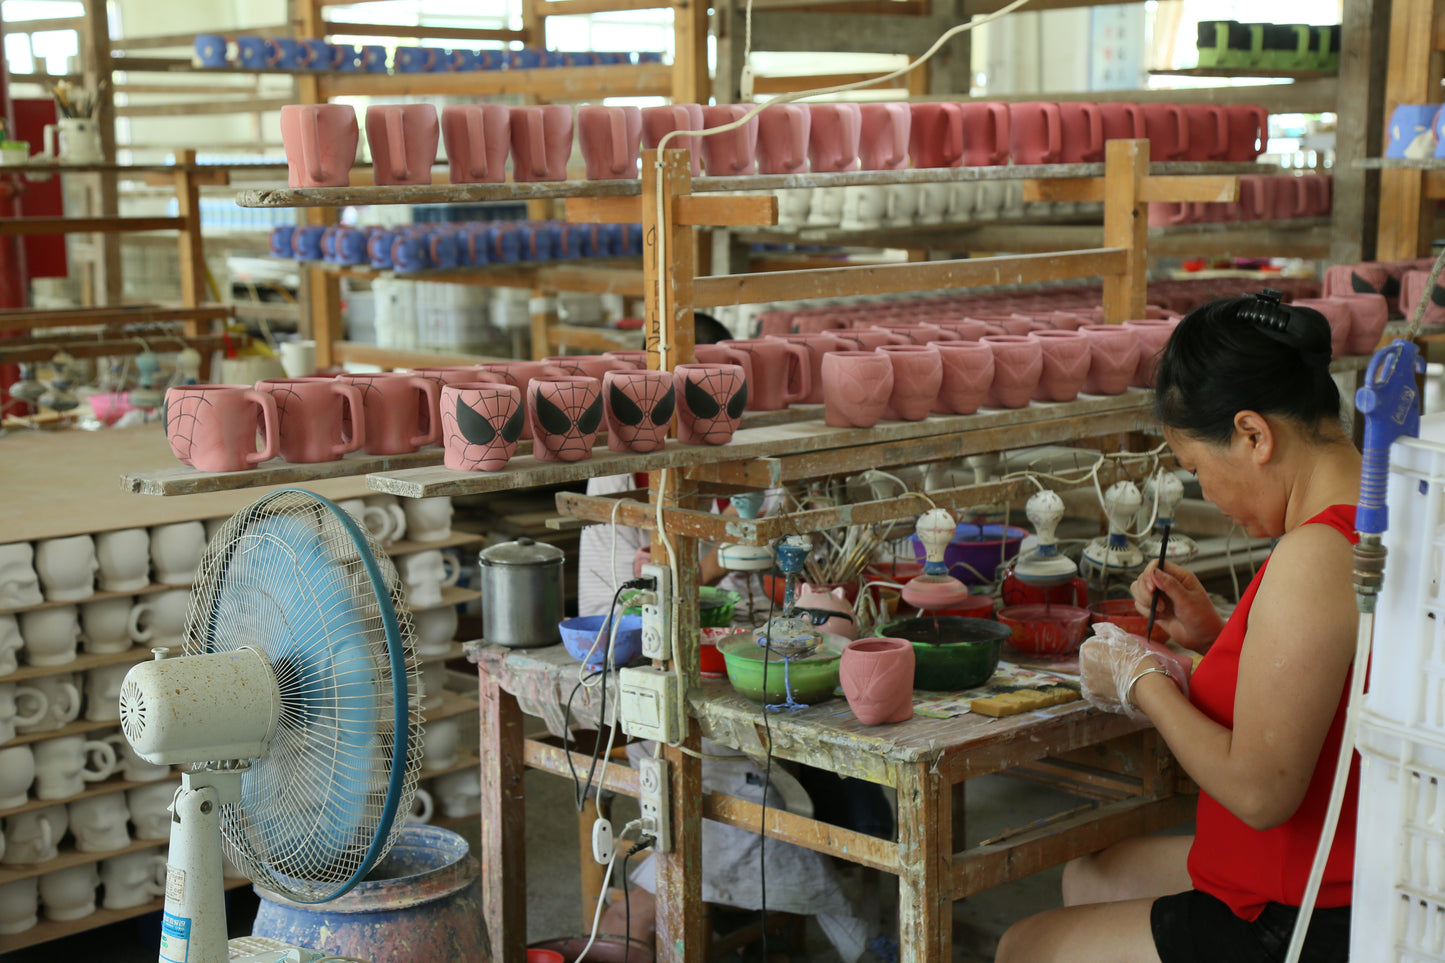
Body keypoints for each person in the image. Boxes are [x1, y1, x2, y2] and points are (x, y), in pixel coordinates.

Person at [996, 291, 1362, 963]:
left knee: (1025, 946)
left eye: (1196, 470)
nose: (1211, 499)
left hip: (1301, 909)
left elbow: (1260, 790)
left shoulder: (1314, 555)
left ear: (1253, 435)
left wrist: (1141, 682)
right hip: (1322, 864)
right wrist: (1213, 635)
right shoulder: (1368, 509)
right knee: (1091, 873)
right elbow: (1328, 683)